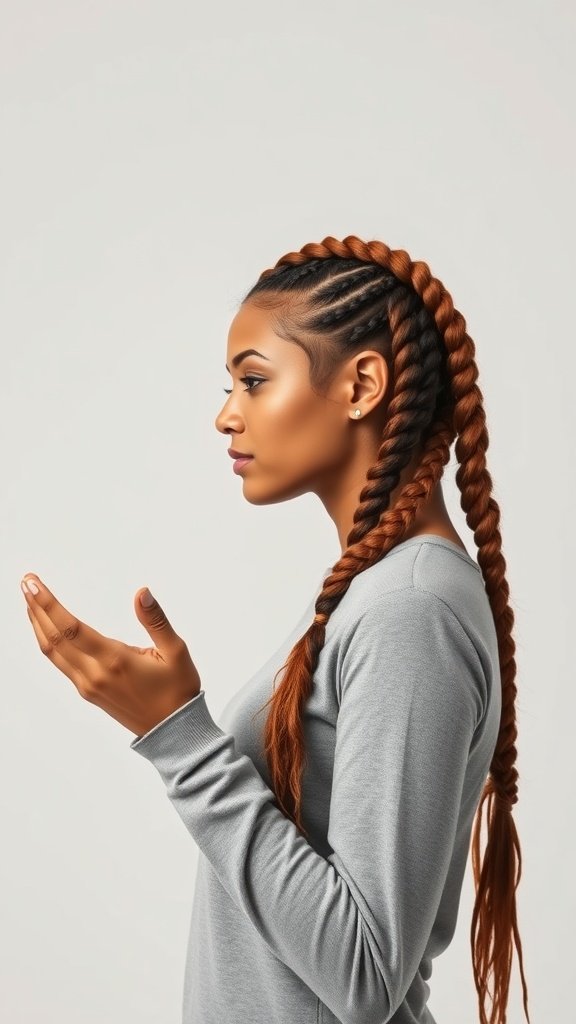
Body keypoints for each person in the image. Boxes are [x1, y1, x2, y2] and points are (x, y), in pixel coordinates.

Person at [129, 235, 531, 1024]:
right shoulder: (376, 594)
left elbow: (365, 972)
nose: (225, 415)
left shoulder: (412, 610)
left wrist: (178, 739)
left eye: (253, 380)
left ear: (361, 386)